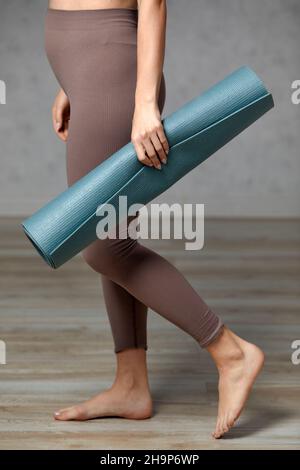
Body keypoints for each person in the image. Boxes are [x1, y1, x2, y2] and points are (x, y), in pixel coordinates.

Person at [46, 0, 264, 439]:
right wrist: (74, 79)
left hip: (110, 66)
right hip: (91, 68)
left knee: (104, 245)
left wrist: (142, 100)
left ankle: (231, 351)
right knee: (113, 236)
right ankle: (130, 385)